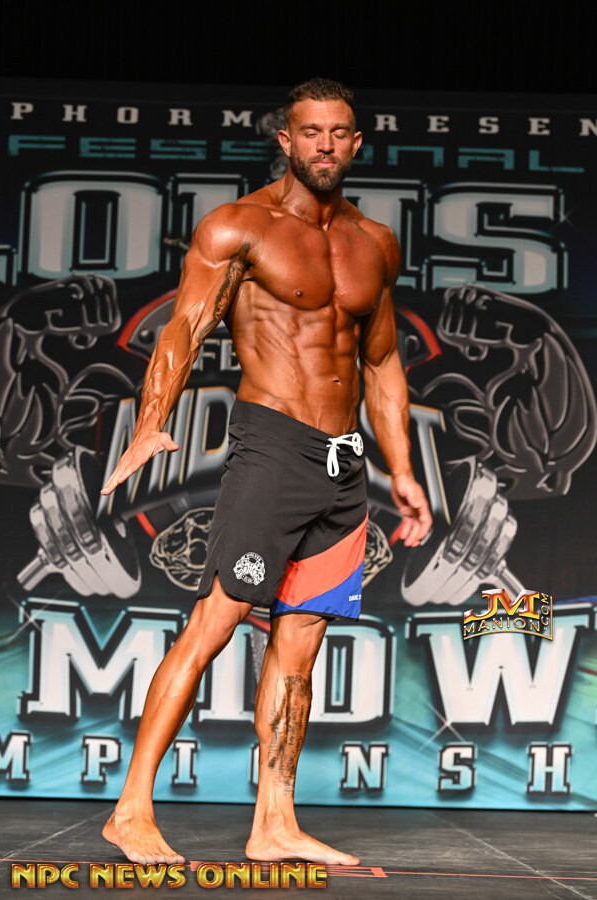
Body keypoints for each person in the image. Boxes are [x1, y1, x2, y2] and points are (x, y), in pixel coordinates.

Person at [100, 77, 432, 867]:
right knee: (216, 623)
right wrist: (150, 425)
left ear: (356, 143)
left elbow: (383, 361)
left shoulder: (375, 243)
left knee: (301, 644)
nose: (325, 144)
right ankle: (131, 808)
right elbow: (183, 328)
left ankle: (274, 821)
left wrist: (403, 468)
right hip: (272, 447)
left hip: (343, 467)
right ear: (285, 140)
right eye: (310, 131)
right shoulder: (240, 227)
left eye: (338, 132)